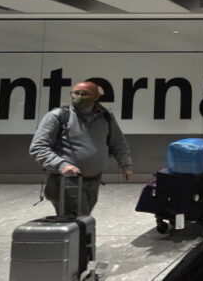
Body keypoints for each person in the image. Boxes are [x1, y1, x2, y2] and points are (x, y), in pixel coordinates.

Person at [29, 81, 133, 215]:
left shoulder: (105, 116)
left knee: (83, 220)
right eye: (75, 93)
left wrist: (126, 164)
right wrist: (62, 165)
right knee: (77, 220)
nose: (78, 96)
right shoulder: (57, 116)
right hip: (64, 181)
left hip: (93, 180)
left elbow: (118, 143)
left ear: (96, 96)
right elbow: (38, 148)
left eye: (84, 94)